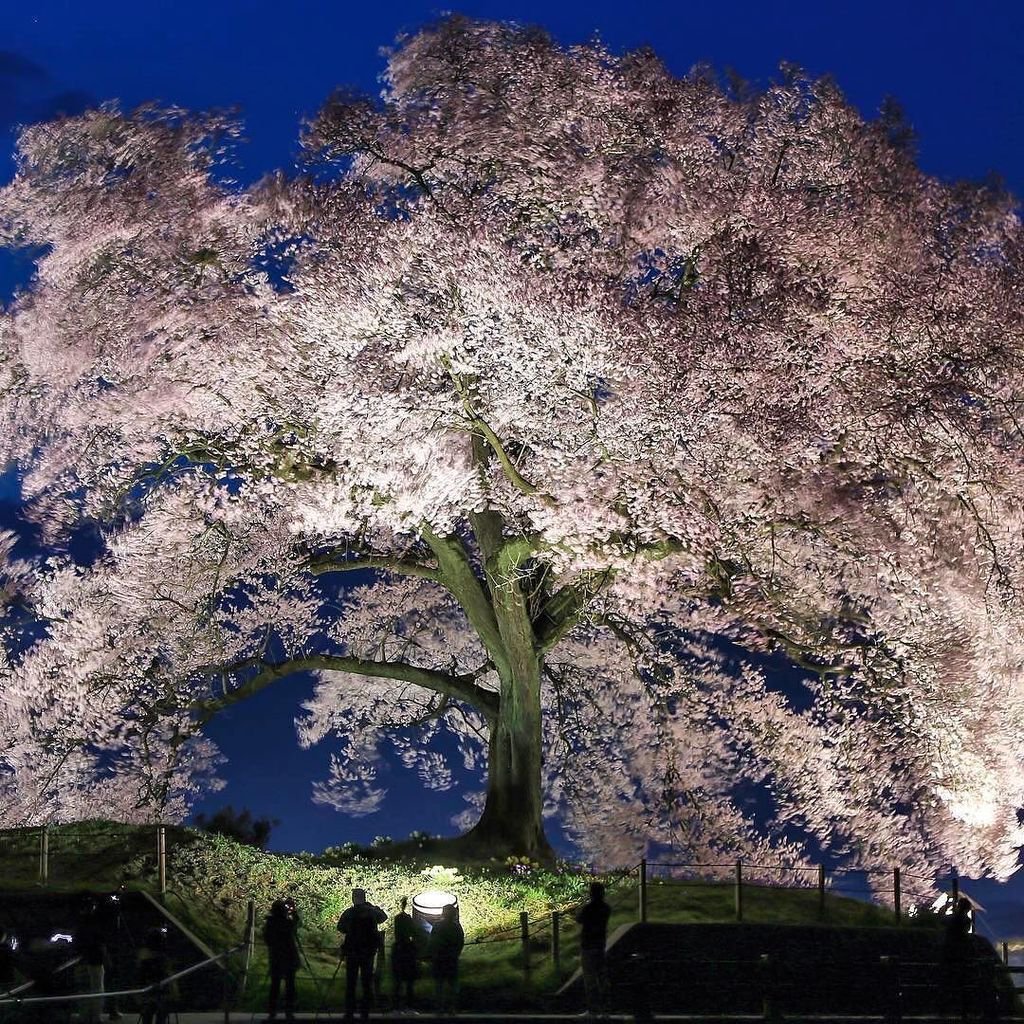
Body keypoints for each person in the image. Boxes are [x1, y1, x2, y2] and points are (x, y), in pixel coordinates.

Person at [337, 888, 387, 1022]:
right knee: (366, 981)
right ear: (364, 898)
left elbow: (340, 927)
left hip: (352, 951)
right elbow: (383, 917)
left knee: (351, 982)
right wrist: (373, 907)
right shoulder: (371, 912)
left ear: (354, 898)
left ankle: (349, 1011)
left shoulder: (350, 912)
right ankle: (365, 1011)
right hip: (367, 952)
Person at [575, 881, 611, 1017]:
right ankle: (606, 1010)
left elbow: (578, 919)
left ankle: (592, 1010)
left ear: (591, 893)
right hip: (600, 946)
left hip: (588, 946)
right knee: (602, 978)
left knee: (590, 980)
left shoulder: (588, 908)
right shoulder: (606, 908)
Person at [263, 898, 300, 1022]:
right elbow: (297, 924)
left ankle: (272, 1012)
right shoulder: (287, 923)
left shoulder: (270, 923)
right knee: (290, 986)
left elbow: (267, 940)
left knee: (275, 985)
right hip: (289, 958)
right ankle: (289, 1012)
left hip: (276, 958)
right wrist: (293, 911)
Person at [74, 898, 109, 1024]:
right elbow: (101, 943)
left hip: (81, 960)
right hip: (94, 960)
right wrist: (106, 958)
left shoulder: (79, 922)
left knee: (83, 989)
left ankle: (85, 1015)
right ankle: (96, 1016)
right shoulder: (96, 923)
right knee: (97, 989)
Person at [428, 903, 464, 1016]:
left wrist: (432, 954)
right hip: (451, 958)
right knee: (452, 984)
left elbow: (432, 941)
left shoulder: (438, 926)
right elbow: (460, 941)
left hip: (439, 958)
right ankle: (451, 1008)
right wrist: (456, 953)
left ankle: (440, 1008)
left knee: (439, 984)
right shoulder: (456, 926)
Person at [135, 927, 174, 1024]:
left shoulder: (160, 959)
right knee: (150, 1009)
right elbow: (141, 979)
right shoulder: (148, 960)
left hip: (159, 993)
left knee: (158, 1009)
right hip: (151, 994)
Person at [391, 897, 419, 1012]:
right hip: (408, 950)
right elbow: (414, 932)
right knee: (409, 982)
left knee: (398, 982)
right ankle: (409, 1006)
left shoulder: (398, 919)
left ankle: (397, 1007)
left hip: (399, 950)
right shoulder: (408, 919)